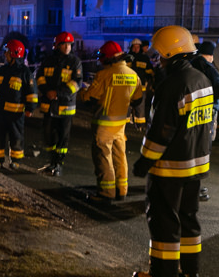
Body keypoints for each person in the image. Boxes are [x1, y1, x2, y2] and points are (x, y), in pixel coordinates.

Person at [132, 25, 213, 277]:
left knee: (164, 220)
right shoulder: (202, 80)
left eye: (160, 54)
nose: (158, 59)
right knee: (188, 218)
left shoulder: (173, 85)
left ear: (170, 52)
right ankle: (191, 270)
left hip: (170, 168)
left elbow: (161, 131)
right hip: (196, 166)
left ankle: (162, 274)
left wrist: (145, 161)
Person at [78, 40, 143, 202]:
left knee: (103, 158)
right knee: (120, 157)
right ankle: (121, 190)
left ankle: (106, 193)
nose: (100, 61)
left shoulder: (104, 75)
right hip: (121, 124)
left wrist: (83, 90)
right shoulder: (133, 74)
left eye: (101, 58)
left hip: (104, 125)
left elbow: (88, 98)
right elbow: (137, 99)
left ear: (108, 58)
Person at [35, 32, 82, 176]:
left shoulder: (75, 62)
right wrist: (46, 91)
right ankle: (51, 162)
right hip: (49, 106)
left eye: (69, 44)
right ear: (57, 45)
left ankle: (58, 164)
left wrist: (58, 93)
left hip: (65, 107)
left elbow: (77, 83)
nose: (67, 47)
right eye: (64, 44)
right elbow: (40, 78)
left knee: (62, 138)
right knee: (48, 135)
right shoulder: (48, 61)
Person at [0, 39, 37, 170]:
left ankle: (15, 161)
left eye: (7, 52)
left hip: (16, 114)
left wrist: (30, 108)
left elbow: (31, 92)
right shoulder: (1, 70)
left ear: (15, 53)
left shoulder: (25, 73)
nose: (5, 55)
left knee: (16, 137)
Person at [190, 40, 219, 201]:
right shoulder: (210, 69)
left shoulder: (190, 65)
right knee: (203, 150)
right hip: (207, 113)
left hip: (192, 112)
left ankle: (189, 184)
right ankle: (195, 187)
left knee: (192, 147)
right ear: (211, 55)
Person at [126, 37, 155, 129]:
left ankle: (140, 125)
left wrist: (151, 80)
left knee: (140, 106)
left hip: (141, 86)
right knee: (127, 105)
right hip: (128, 86)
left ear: (140, 47)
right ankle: (125, 123)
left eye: (138, 47)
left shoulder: (144, 58)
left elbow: (150, 71)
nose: (136, 49)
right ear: (131, 47)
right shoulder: (127, 58)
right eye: (134, 47)